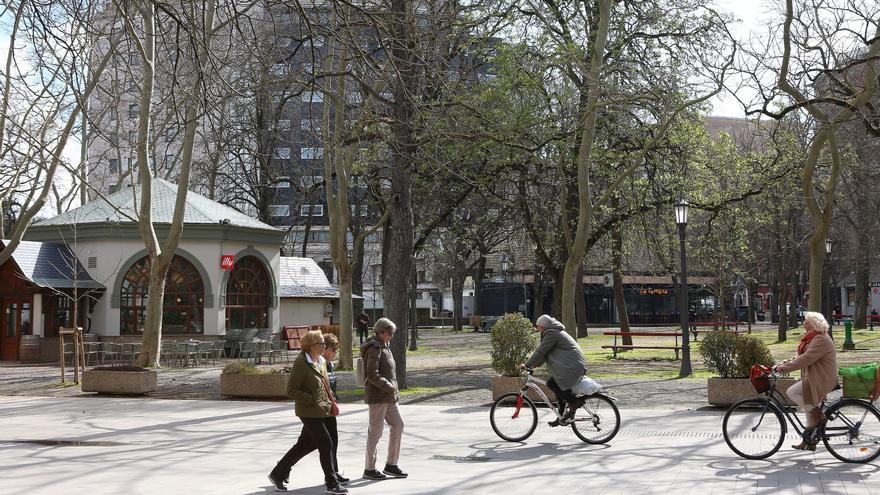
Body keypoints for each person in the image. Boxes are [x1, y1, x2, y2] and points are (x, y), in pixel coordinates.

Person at [268, 330, 348, 494]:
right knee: (325, 443)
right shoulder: (301, 363)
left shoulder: (321, 361)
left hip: (325, 408)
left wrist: (330, 396)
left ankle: (278, 472)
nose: (324, 346)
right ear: (310, 346)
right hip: (309, 411)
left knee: (307, 444)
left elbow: (324, 383)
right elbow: (291, 390)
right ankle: (331, 483)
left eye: (324, 344)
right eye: (321, 343)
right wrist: (311, 398)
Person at [775, 311, 838, 451]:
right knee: (808, 407)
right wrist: (784, 363)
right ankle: (809, 440)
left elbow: (807, 358)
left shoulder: (820, 339)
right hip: (814, 376)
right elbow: (803, 356)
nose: (803, 323)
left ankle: (820, 416)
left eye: (806, 322)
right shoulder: (813, 337)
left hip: (822, 378)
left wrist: (784, 369)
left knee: (793, 392)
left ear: (815, 324)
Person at [519, 314, 587, 426]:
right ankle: (561, 417)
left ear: (543, 326)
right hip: (572, 365)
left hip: (572, 366)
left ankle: (574, 402)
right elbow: (546, 353)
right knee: (558, 388)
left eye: (538, 327)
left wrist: (527, 364)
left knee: (551, 384)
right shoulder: (554, 332)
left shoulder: (552, 333)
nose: (537, 329)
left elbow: (541, 351)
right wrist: (535, 364)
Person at [360, 318, 407, 480]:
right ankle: (369, 469)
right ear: (380, 331)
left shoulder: (384, 346)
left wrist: (393, 390)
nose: (391, 336)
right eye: (389, 333)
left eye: (392, 333)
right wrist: (388, 386)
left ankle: (391, 465)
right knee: (376, 432)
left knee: (398, 425)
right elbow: (372, 374)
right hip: (378, 397)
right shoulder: (374, 348)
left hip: (389, 397)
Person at [322, 333, 345, 481]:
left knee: (333, 442)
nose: (335, 352)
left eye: (336, 349)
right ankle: (282, 470)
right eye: (333, 349)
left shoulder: (329, 364)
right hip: (320, 410)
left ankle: (334, 473)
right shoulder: (320, 363)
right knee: (304, 446)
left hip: (330, 409)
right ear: (324, 349)